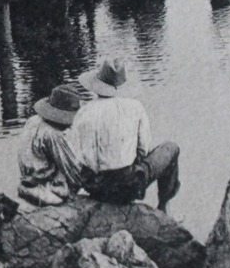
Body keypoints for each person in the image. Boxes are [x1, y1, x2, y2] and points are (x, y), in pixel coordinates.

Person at [71, 57, 181, 210]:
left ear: (97, 86)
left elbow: (75, 154)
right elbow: (144, 149)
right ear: (120, 85)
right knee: (171, 148)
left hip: (93, 187)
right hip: (125, 187)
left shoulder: (83, 112)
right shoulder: (134, 107)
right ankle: (163, 206)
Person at [16, 84, 86, 205]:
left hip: (28, 175)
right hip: (43, 180)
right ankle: (47, 191)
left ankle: (28, 188)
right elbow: (71, 168)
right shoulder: (53, 134)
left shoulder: (33, 120)